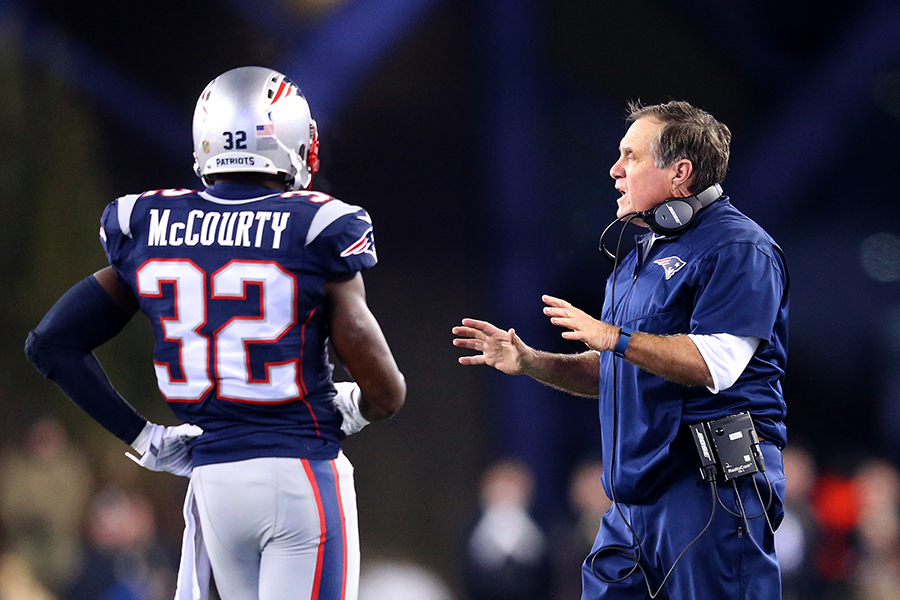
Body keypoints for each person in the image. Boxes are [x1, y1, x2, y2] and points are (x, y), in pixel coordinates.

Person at [25, 65, 406, 600]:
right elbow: (387, 391)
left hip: (213, 483)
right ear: (288, 138)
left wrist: (147, 440)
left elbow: (50, 344)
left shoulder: (150, 223)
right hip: (300, 473)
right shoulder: (317, 226)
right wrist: (355, 407)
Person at [453, 100, 788, 599]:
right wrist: (531, 362)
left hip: (708, 489)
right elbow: (614, 369)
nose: (614, 171)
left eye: (630, 157)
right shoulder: (637, 259)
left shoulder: (740, 248)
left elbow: (715, 363)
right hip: (631, 500)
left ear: (680, 173)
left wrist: (613, 336)